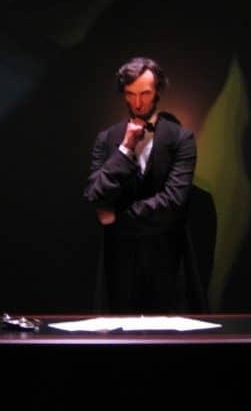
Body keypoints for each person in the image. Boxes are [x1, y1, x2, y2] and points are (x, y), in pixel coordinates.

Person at [83, 56, 197, 313]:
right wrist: (125, 149)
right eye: (131, 94)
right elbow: (95, 194)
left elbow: (174, 201)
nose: (138, 102)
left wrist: (116, 216)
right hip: (118, 261)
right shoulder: (107, 138)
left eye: (145, 93)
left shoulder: (182, 138)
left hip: (166, 258)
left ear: (157, 91)